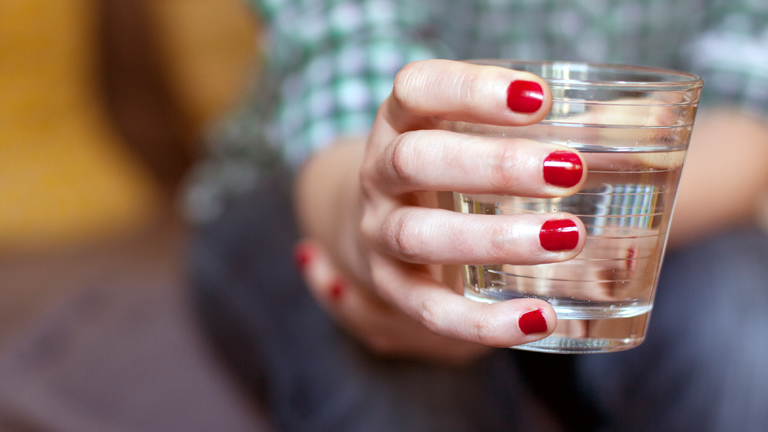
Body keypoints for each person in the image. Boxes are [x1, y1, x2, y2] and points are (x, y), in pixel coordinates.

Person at [187, 0, 768, 430]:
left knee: (739, 324)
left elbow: (747, 105)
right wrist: (385, 244)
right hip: (305, 171)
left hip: (660, 191)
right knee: (392, 388)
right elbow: (342, 78)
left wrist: (551, 239)